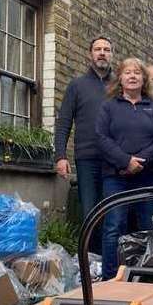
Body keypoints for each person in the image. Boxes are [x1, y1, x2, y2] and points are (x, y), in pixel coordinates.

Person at [95, 57, 153, 280]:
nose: (133, 76)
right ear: (121, 78)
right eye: (128, 72)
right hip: (116, 177)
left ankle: (146, 276)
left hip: (148, 177)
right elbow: (101, 137)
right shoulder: (109, 106)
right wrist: (125, 161)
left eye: (137, 72)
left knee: (148, 226)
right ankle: (110, 278)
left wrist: (140, 162)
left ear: (144, 79)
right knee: (114, 226)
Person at [54, 36, 114, 228]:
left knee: (112, 212)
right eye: (98, 49)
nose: (102, 53)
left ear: (112, 55)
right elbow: (64, 122)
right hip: (87, 158)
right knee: (90, 212)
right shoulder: (77, 85)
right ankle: (90, 258)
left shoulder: (119, 86)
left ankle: (109, 258)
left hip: (115, 160)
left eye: (106, 49)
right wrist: (60, 156)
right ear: (90, 54)